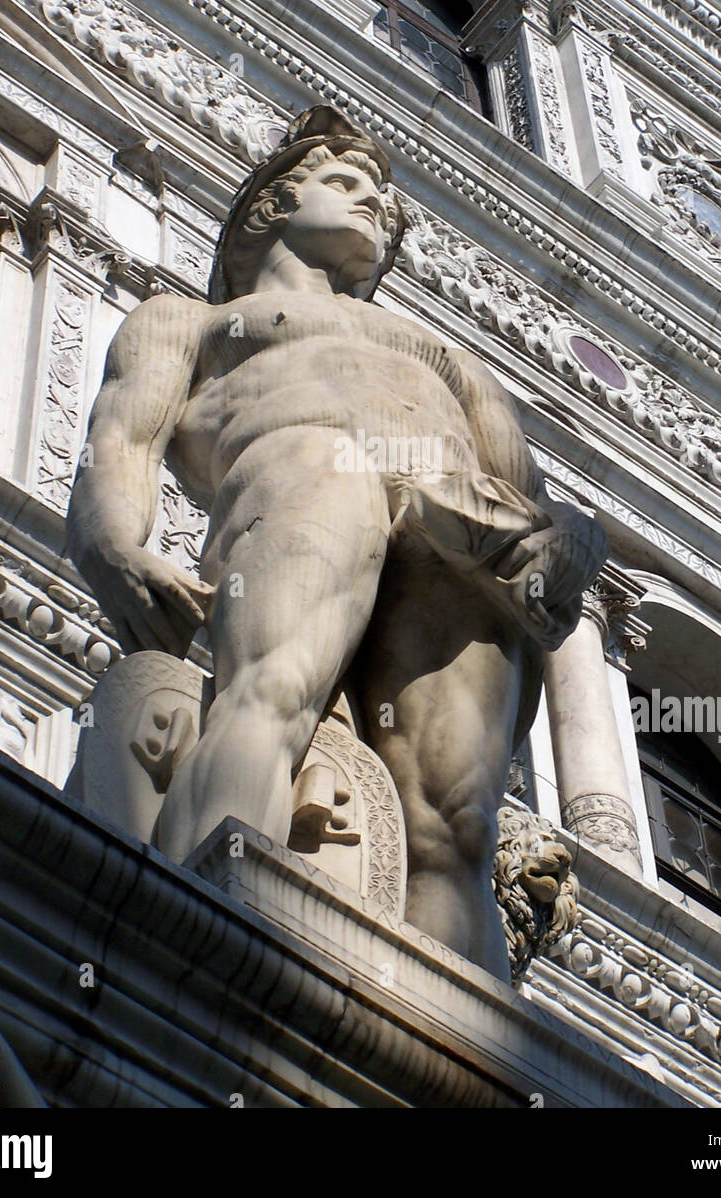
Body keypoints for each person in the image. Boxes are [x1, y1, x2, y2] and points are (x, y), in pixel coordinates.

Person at [66, 106, 607, 978]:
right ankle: (199, 939)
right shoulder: (191, 321)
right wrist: (112, 544)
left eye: (387, 209)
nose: (373, 209)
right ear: (271, 205)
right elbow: (122, 441)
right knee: (272, 690)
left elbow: (532, 497)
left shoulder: (442, 354)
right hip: (307, 464)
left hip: (457, 528)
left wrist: (580, 541)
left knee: (457, 821)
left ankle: (456, 1044)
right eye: (346, 186)